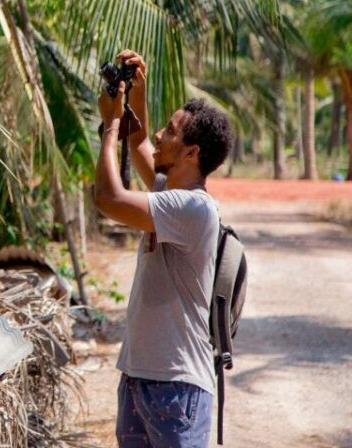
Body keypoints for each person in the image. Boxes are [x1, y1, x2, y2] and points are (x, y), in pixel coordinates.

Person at [94, 50, 234, 448]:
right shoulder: (169, 190)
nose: (160, 135)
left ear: (192, 154)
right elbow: (140, 140)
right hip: (140, 377)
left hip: (177, 388)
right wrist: (139, 89)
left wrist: (109, 125)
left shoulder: (193, 208)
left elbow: (108, 197)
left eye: (171, 132)